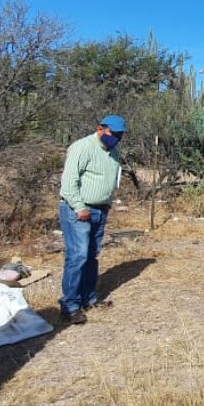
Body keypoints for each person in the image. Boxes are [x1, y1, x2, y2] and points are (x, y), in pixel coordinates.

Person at [58, 114, 126, 325]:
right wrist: (79, 207)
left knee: (91, 256)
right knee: (77, 256)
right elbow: (69, 181)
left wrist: (106, 203)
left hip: (100, 210)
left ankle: (89, 298)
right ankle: (70, 305)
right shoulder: (82, 147)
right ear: (100, 129)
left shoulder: (113, 152)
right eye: (113, 133)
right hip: (78, 210)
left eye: (120, 134)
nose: (117, 137)